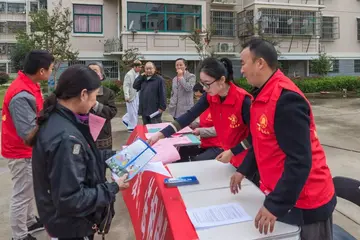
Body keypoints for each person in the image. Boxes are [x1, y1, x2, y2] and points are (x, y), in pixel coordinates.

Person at [230, 38, 336, 239]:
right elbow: (262, 142)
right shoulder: (261, 96)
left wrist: (275, 205)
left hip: (306, 200)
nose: (241, 70)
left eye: (243, 63)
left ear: (260, 63)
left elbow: (300, 160)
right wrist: (243, 170)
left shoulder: (286, 99)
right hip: (284, 193)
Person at [29, 65, 129, 240]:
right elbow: (72, 199)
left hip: (62, 221)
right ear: (83, 94)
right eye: (94, 97)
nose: (94, 104)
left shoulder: (60, 119)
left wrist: (112, 156)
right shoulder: (66, 138)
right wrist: (112, 187)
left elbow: (84, 158)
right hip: (71, 227)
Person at [147, 57, 252, 169]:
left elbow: (255, 136)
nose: (204, 89)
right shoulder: (211, 96)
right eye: (202, 84)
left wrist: (232, 152)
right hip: (227, 154)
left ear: (221, 80)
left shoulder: (244, 101)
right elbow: (189, 115)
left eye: (207, 83)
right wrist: (160, 134)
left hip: (244, 157)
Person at [1, 50, 54, 240]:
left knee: (30, 187)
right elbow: (28, 134)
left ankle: (30, 221)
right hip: (21, 151)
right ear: (41, 71)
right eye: (51, 69)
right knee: (22, 193)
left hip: (26, 151)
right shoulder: (21, 94)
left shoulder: (30, 85)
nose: (51, 72)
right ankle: (19, 235)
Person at [178, 83, 223, 161]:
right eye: (196, 97)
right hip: (204, 144)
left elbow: (219, 130)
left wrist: (200, 131)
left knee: (197, 160)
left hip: (218, 146)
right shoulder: (205, 109)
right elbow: (201, 121)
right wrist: (190, 125)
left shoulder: (220, 109)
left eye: (200, 97)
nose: (199, 100)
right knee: (181, 150)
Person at [88, 62, 117, 149]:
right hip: (84, 133)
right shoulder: (80, 92)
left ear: (101, 75)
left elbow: (112, 112)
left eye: (95, 70)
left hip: (103, 135)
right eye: (89, 70)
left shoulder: (108, 93)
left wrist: (95, 104)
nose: (92, 73)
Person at [122, 60, 142, 132]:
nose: (140, 68)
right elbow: (126, 86)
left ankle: (125, 119)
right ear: (135, 67)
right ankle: (132, 127)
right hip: (131, 95)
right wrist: (126, 95)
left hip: (137, 94)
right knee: (132, 111)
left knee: (135, 110)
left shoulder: (138, 73)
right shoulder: (129, 74)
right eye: (139, 67)